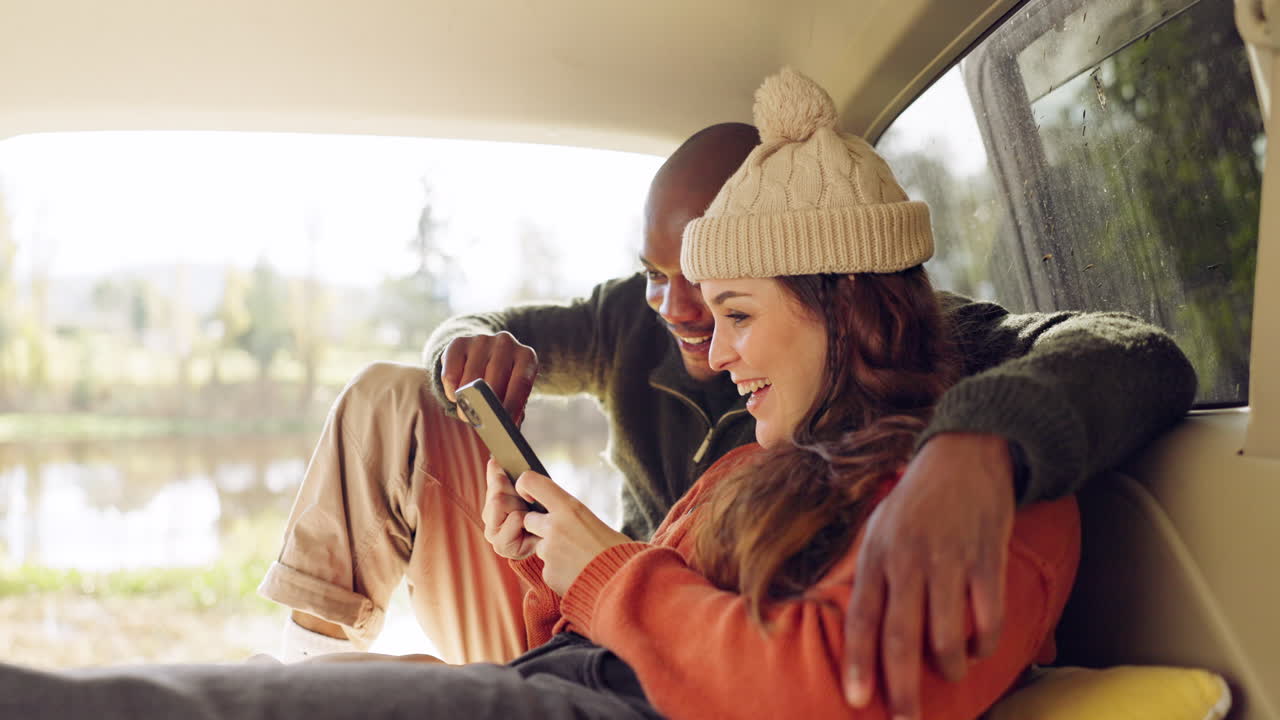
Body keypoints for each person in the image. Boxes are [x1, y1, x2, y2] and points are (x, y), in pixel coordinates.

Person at [0, 67, 1195, 720]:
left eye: (729, 308)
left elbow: (805, 688)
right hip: (583, 649)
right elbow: (630, 615)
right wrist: (543, 555)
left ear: (842, 297)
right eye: (668, 283)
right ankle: (323, 623)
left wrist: (978, 448)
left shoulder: (980, 441)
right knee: (293, 681)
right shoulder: (748, 428)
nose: (693, 334)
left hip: (617, 669)